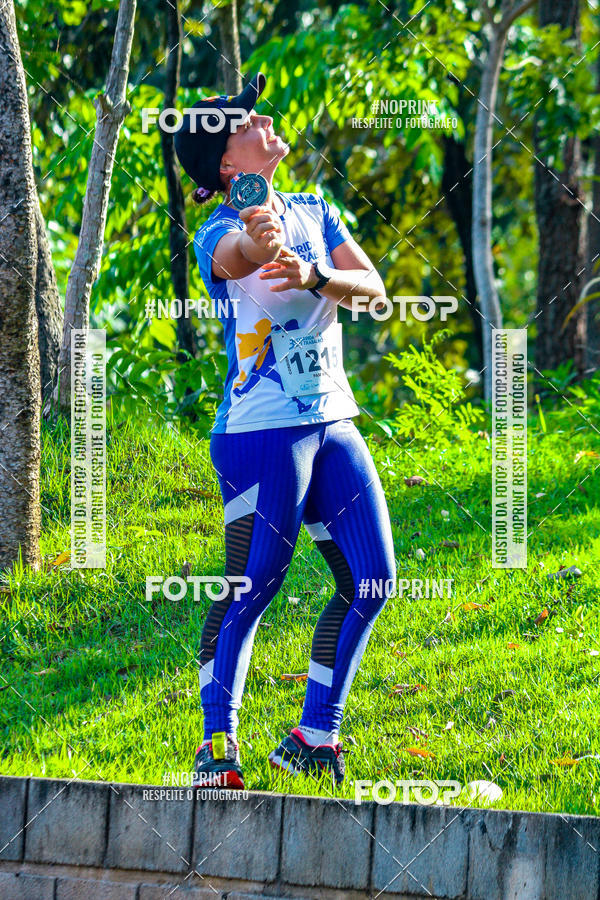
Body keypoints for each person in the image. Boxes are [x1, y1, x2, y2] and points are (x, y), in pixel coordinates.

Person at [174, 72, 395, 788]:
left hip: (333, 418)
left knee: (371, 580)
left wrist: (315, 275)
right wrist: (253, 229)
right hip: (262, 431)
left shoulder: (316, 208)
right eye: (244, 119)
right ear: (228, 164)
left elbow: (376, 290)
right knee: (254, 582)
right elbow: (235, 253)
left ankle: (313, 735)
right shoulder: (221, 225)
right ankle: (217, 747)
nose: (262, 115)